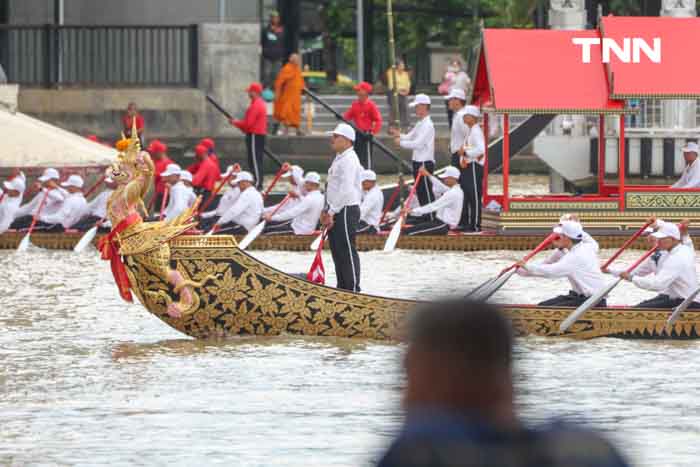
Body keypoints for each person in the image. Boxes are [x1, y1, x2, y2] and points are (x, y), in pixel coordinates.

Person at [376, 298, 631, 467]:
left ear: (441, 375)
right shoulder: (589, 450)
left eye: (411, 377)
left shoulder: (422, 453)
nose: (404, 396)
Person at [516, 221, 607, 307]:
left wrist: (526, 266)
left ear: (566, 238)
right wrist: (520, 270)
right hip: (581, 297)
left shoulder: (574, 257)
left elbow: (551, 272)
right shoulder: (589, 246)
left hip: (592, 302)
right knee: (542, 305)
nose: (554, 239)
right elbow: (583, 236)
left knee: (544, 310)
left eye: (558, 237)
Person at [613, 221, 700, 309]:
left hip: (687, 302)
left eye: (661, 238)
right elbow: (636, 272)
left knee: (635, 312)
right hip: (672, 297)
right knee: (638, 307)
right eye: (657, 238)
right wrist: (610, 271)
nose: (658, 241)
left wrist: (631, 278)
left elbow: (657, 285)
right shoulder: (684, 249)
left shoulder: (677, 257)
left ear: (673, 239)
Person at [321, 123, 363, 292]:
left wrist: (331, 212)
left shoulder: (349, 159)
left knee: (346, 250)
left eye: (335, 137)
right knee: (337, 251)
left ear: (346, 140)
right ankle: (342, 288)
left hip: (345, 210)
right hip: (336, 209)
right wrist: (326, 210)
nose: (332, 140)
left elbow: (346, 189)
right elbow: (332, 187)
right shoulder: (340, 157)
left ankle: (353, 289)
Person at [392, 94, 435, 218]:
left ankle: (431, 216)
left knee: (426, 191)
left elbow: (418, 144)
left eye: (417, 107)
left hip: (424, 163)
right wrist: (399, 135)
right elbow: (410, 136)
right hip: (417, 162)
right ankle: (425, 215)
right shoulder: (420, 123)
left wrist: (401, 143)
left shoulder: (428, 125)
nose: (415, 109)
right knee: (420, 192)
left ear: (424, 107)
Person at [402, 166, 463, 236]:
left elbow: (433, 206)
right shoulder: (456, 190)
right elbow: (439, 185)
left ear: (453, 178)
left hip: (444, 225)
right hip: (438, 222)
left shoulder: (452, 193)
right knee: (412, 229)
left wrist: (412, 211)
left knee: (408, 232)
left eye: (445, 178)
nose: (443, 180)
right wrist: (428, 175)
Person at [231, 82, 268, 190]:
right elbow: (247, 125)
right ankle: (257, 182)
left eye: (250, 92)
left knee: (255, 160)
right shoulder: (259, 103)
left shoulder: (256, 105)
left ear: (255, 92)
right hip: (256, 135)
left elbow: (248, 124)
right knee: (255, 160)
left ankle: (257, 184)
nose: (248, 94)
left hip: (254, 136)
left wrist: (235, 123)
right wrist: (237, 123)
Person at [343, 81, 382, 169]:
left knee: (366, 157)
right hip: (357, 133)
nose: (358, 94)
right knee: (356, 155)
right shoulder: (355, 104)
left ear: (366, 94)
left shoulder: (371, 105)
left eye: (360, 92)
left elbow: (378, 120)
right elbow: (347, 116)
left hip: (366, 134)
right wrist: (341, 117)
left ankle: (367, 173)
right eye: (358, 93)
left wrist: (373, 132)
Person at [460, 106, 486, 232]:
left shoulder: (476, 131)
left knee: (474, 196)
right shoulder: (470, 131)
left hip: (474, 167)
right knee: (469, 196)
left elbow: (481, 150)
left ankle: (475, 225)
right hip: (469, 166)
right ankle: (469, 224)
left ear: (472, 117)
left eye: (466, 115)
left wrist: (465, 154)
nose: (464, 117)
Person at [199, 165, 241, 232]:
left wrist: (218, 223)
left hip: (229, 222)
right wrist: (202, 215)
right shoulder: (229, 191)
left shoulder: (240, 191)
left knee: (206, 231)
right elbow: (219, 211)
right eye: (228, 177)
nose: (227, 179)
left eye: (230, 177)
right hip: (218, 219)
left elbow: (229, 212)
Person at [273, 53, 305, 136]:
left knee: (296, 112)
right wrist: (277, 93)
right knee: (287, 112)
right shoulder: (287, 69)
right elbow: (279, 82)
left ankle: (298, 130)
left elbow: (300, 81)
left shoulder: (297, 69)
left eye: (298, 59)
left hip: (296, 96)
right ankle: (286, 130)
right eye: (295, 59)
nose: (297, 61)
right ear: (290, 60)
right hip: (288, 95)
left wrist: (304, 89)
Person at [261, 10, 285, 88]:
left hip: (278, 57)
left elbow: (283, 41)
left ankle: (275, 90)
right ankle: (266, 90)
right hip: (267, 57)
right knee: (266, 74)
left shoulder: (281, 30)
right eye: (273, 17)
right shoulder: (266, 30)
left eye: (277, 18)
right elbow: (263, 41)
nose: (275, 19)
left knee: (277, 74)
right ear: (270, 19)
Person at [148, 140, 173, 210]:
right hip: (153, 196)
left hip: (163, 196)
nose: (151, 154)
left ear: (159, 152)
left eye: (153, 152)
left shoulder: (169, 165)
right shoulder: (153, 161)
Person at [386, 60, 411, 129]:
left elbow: (408, 84)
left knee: (405, 107)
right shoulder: (391, 72)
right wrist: (399, 91)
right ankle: (391, 126)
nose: (403, 66)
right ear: (397, 66)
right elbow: (391, 84)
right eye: (401, 65)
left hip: (403, 93)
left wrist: (406, 91)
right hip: (394, 92)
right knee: (394, 108)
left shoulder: (405, 74)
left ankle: (406, 125)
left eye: (403, 65)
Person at [358, 169, 384, 234]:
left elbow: (360, 214)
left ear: (370, 182)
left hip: (369, 227)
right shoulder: (375, 191)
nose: (361, 184)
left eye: (363, 182)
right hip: (369, 225)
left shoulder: (372, 195)